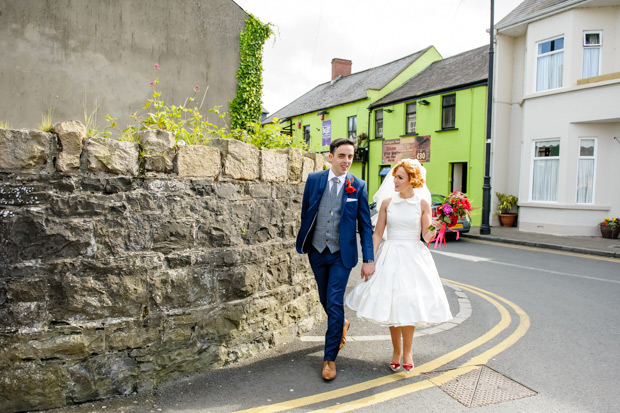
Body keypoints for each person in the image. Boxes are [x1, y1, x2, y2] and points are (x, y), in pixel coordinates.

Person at [345, 159, 452, 373]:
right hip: (390, 255)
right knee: (392, 304)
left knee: (408, 304)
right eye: (394, 176)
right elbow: (377, 234)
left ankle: (408, 351)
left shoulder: (422, 204)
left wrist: (437, 226)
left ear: (412, 181)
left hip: (414, 257)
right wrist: (369, 260)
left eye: (400, 177)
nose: (394, 180)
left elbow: (426, 236)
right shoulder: (387, 203)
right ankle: (396, 351)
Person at [296, 137, 375, 381]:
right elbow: (306, 212)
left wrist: (368, 259)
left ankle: (329, 358)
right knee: (324, 299)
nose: (347, 161)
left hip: (342, 254)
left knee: (334, 300)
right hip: (317, 250)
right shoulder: (314, 180)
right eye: (342, 155)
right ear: (331, 157)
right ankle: (340, 324)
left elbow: (365, 226)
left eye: (350, 156)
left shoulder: (358, 186)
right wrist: (307, 242)